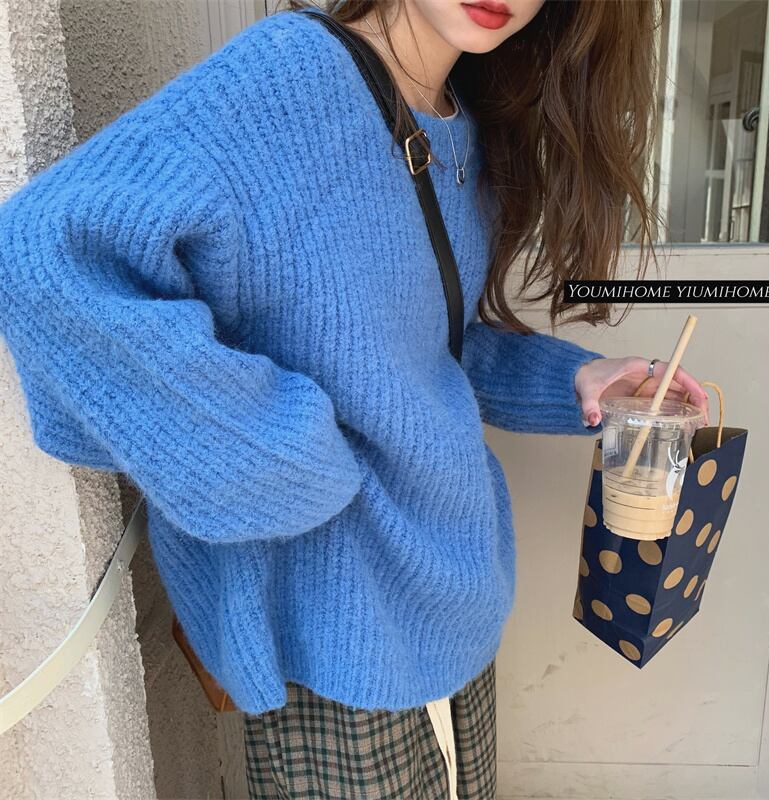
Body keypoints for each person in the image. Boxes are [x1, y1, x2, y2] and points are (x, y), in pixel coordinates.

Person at [0, 0, 709, 797]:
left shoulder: (460, 118)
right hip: (335, 623)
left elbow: (416, 351)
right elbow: (43, 255)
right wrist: (279, 459)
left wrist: (573, 379)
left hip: (452, 598)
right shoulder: (289, 78)